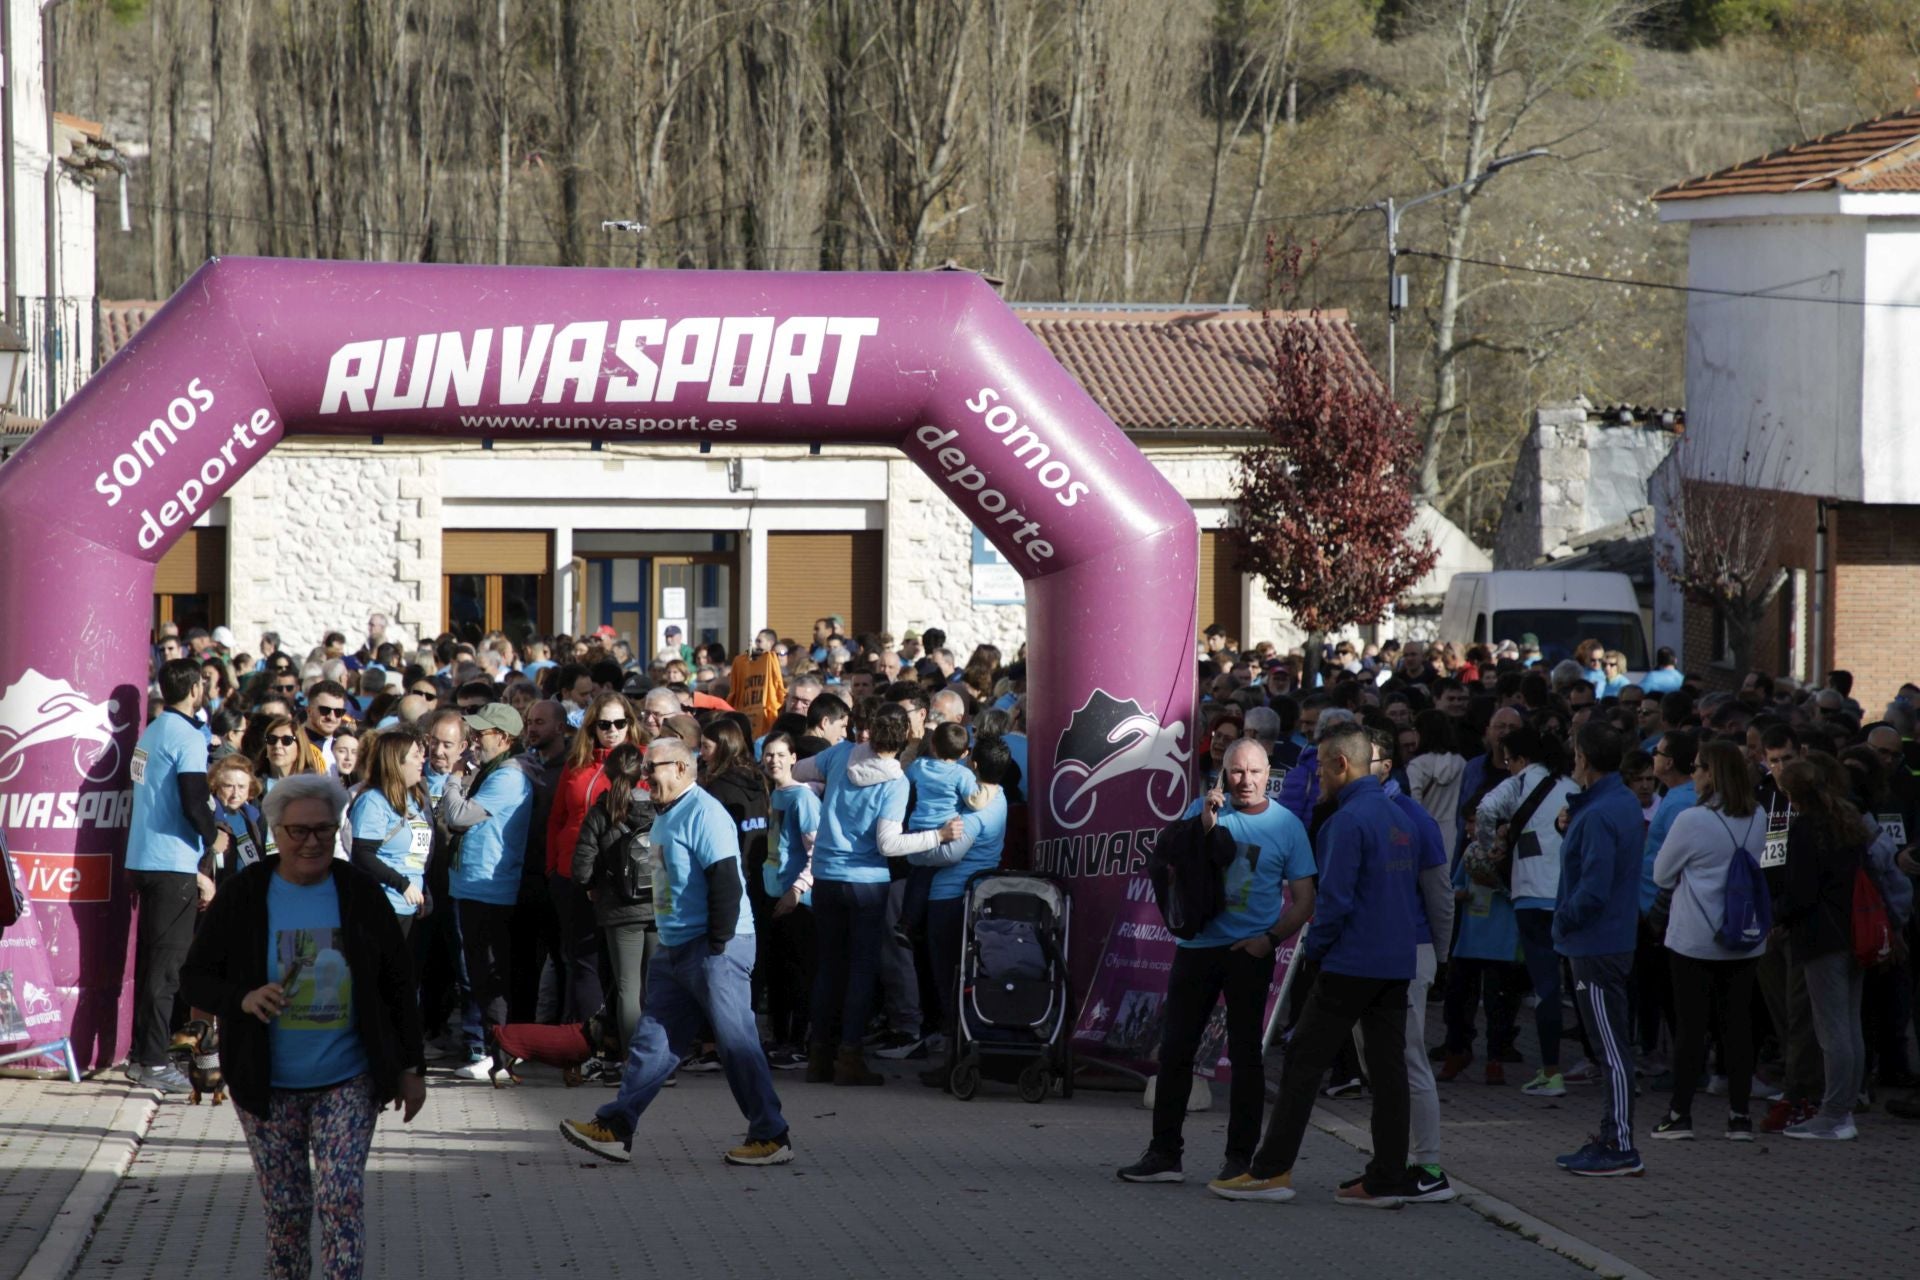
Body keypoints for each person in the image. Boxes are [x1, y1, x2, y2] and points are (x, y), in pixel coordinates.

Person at [180, 774, 425, 1280]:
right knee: (287, 1214)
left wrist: (410, 1067)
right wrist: (242, 998)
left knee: (340, 1199)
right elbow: (195, 979)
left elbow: (399, 982)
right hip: (268, 1082)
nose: (312, 842)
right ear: (277, 830)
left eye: (323, 830)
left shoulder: (359, 892)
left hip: (348, 1078)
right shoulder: (246, 894)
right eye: (298, 831)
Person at [558, 737, 793, 1167]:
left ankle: (771, 1135)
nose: (644, 777)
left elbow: (725, 880)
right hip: (676, 946)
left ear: (682, 769)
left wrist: (717, 945)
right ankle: (615, 1127)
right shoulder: (667, 813)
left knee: (736, 1043)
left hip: (713, 948)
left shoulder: (705, 813)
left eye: (653, 768)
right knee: (652, 1042)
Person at [1211, 723, 1417, 1207]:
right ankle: (1387, 1176)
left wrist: (1316, 955)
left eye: (1321, 766)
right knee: (1388, 1072)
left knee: (1303, 1061)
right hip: (1393, 961)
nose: (1315, 777)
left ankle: (1269, 1170)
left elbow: (1334, 902)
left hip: (1350, 961)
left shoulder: (1345, 822)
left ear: (1342, 764)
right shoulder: (1399, 816)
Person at [1120, 738, 1316, 1185]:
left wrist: (1269, 940)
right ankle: (1164, 1154)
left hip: (1249, 953)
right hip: (1197, 950)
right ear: (1222, 774)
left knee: (1246, 1058)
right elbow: (1167, 862)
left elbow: (1305, 901)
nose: (1245, 781)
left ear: (1270, 775)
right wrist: (1204, 823)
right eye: (1236, 772)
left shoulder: (1287, 826)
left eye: (1254, 772)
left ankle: (1240, 1159)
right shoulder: (1201, 809)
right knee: (1174, 1052)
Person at [791, 704, 959, 1085]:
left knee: (830, 967)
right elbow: (888, 842)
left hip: (827, 877)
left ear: (867, 730)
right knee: (862, 971)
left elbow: (798, 770)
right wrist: (938, 836)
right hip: (867, 881)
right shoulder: (896, 782)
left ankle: (819, 1056)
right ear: (903, 740)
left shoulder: (839, 755)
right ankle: (849, 1057)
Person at [1648, 740, 1769, 1141]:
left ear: (1711, 773)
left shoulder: (1691, 819)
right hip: (1745, 936)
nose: (1694, 773)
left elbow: (1662, 875)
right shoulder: (1759, 814)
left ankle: (1680, 1114)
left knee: (1691, 1028)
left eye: (1698, 767)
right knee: (1737, 1027)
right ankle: (1739, 1116)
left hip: (1695, 937)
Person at [125, 658, 229, 1093]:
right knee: (166, 971)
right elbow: (192, 799)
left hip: (144, 859)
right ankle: (151, 1062)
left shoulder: (152, 730)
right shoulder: (186, 734)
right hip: (171, 863)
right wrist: (214, 837)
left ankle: (141, 1056)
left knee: (153, 965)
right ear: (196, 690)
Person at [1552, 721, 1647, 1177]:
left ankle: (1621, 1143)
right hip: (1609, 938)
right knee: (1612, 1045)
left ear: (1584, 759)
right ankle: (1613, 1134)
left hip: (1595, 943)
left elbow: (1592, 889)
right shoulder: (1620, 801)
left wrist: (1562, 918)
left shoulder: (1600, 814)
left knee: (1611, 1049)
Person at [1470, 724, 1577, 1095]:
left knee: (1546, 986)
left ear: (1517, 758)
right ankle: (1600, 1063)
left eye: (1508, 761)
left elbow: (1485, 810)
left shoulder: (1517, 784)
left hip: (1530, 896)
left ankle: (1551, 1071)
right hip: (1567, 895)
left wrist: (1486, 848)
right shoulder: (1571, 786)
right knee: (1576, 985)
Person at [1774, 759, 1870, 1141]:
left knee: (1832, 1029)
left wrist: (1775, 916)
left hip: (1821, 937)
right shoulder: (1846, 820)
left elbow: (1800, 891)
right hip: (1853, 932)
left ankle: (1834, 1113)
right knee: (1849, 1024)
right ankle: (1845, 1104)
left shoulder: (1805, 828)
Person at [440, 702, 534, 1080]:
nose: (475, 741)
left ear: (505, 738)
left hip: (489, 886)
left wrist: (451, 777)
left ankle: (499, 1056)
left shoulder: (507, 776)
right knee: (478, 972)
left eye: (482, 734)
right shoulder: (493, 770)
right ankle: (499, 1052)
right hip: (474, 883)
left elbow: (459, 816)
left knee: (488, 974)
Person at [547, 693, 643, 1023]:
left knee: (622, 966)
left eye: (620, 723)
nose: (613, 730)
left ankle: (618, 1038)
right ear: (593, 727)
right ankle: (587, 1042)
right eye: (604, 724)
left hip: (620, 879)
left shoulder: (641, 761)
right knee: (582, 960)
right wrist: (552, 866)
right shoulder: (577, 764)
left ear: (630, 724)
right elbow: (557, 818)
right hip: (571, 874)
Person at [569, 743, 658, 1059]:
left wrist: (594, 885)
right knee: (656, 988)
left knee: (627, 988)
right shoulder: (660, 808)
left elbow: (580, 869)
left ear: (607, 773)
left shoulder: (601, 812)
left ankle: (634, 1061)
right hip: (660, 906)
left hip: (620, 909)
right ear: (643, 774)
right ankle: (661, 1061)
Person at [760, 732, 820, 1069]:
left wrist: (797, 890)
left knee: (798, 974)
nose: (774, 761)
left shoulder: (803, 799)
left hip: (798, 901)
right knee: (778, 974)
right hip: (773, 896)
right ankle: (780, 1039)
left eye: (781, 754)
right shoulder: (773, 796)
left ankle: (798, 1042)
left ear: (794, 757)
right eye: (769, 754)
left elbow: (816, 851)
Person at [346, 730, 433, 939]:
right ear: (397, 762)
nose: (423, 759)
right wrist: (402, 884)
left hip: (407, 906)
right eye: (415, 755)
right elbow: (363, 855)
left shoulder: (412, 797)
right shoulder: (373, 801)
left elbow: (413, 855)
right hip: (381, 905)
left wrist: (422, 890)